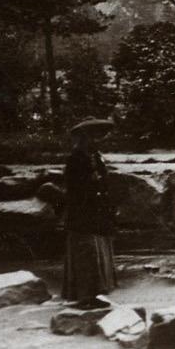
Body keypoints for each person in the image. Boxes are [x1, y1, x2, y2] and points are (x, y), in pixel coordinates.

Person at [62, 118, 116, 303]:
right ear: (85, 138)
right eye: (95, 137)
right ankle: (84, 295)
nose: (98, 140)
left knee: (98, 248)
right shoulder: (75, 158)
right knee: (87, 250)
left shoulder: (96, 157)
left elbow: (104, 182)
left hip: (96, 211)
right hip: (82, 212)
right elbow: (74, 187)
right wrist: (92, 181)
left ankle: (95, 292)